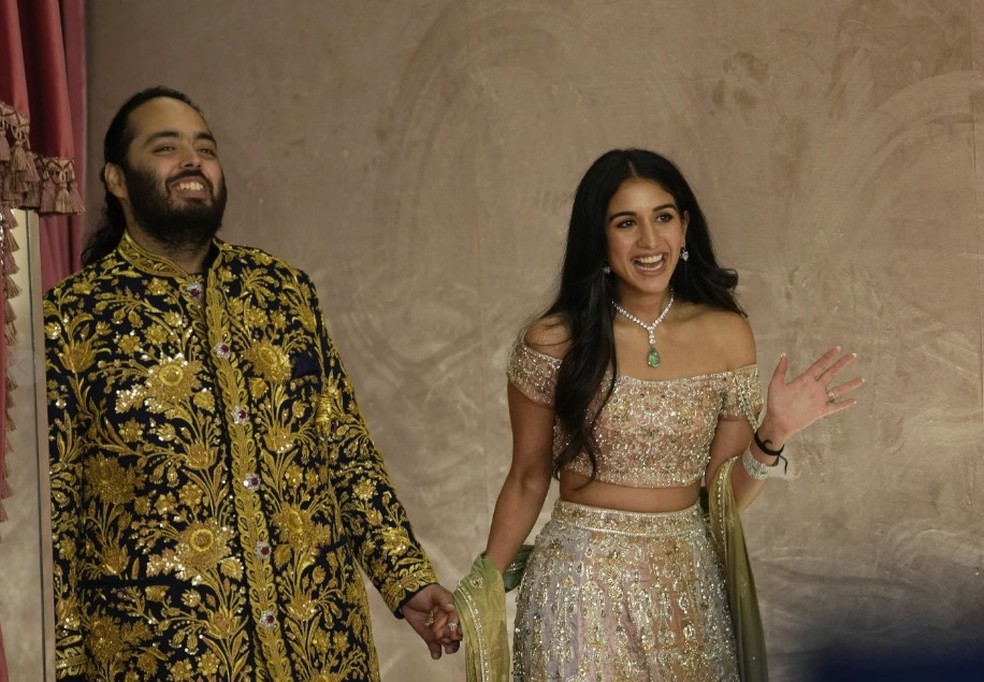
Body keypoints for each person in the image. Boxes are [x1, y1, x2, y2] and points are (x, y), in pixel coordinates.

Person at [43, 86, 461, 681]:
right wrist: (61, 663)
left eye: (204, 148)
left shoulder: (282, 292)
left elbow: (344, 451)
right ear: (116, 178)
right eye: (166, 147)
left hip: (319, 648)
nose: (193, 160)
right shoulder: (69, 319)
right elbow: (57, 514)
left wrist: (406, 579)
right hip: (162, 659)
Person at [456, 149, 863, 681]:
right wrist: (482, 585)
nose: (650, 241)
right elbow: (528, 477)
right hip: (580, 588)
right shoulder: (555, 341)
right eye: (627, 223)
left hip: (685, 590)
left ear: (685, 226)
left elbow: (722, 498)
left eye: (663, 217)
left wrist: (773, 433)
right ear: (599, 238)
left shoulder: (727, 335)